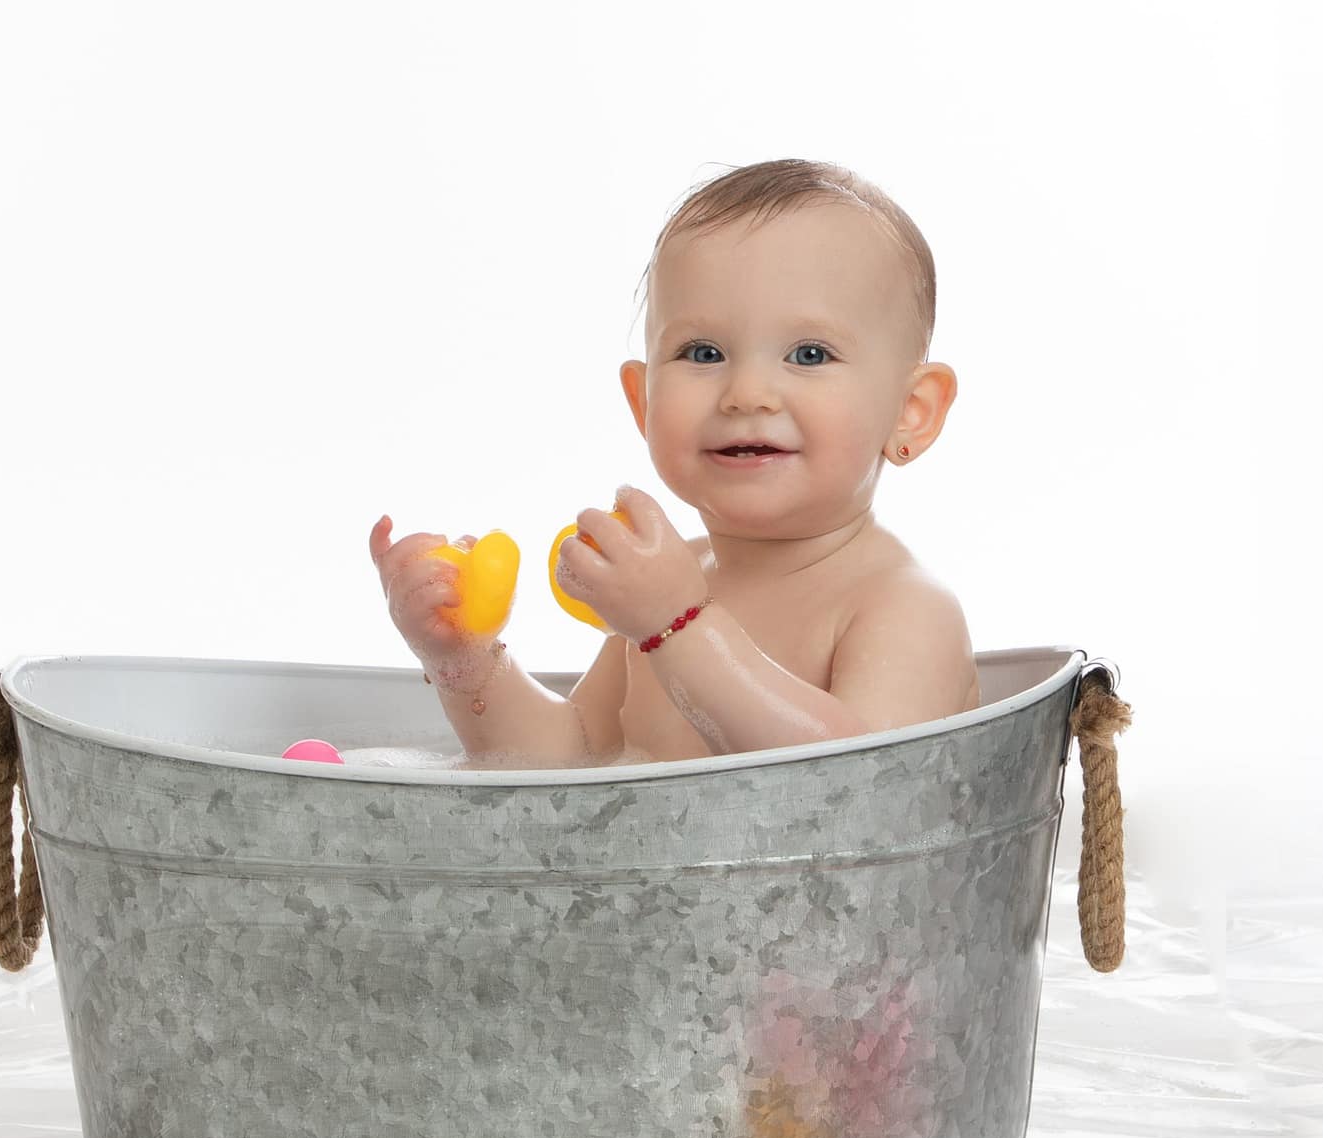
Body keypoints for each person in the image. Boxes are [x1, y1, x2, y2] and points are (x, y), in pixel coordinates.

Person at [369, 158, 976, 768]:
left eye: (810, 354)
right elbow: (568, 763)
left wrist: (678, 625)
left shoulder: (903, 606)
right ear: (644, 401)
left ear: (912, 412)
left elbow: (861, 783)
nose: (747, 393)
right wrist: (466, 663)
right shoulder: (669, 582)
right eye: (703, 353)